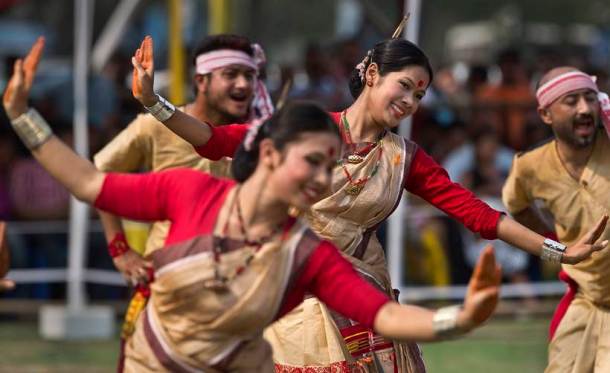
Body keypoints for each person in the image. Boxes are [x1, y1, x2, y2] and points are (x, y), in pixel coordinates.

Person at [3, 37, 503, 372]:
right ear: (266, 151)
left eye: (331, 164)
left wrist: (457, 319)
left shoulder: (303, 254)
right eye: (313, 162)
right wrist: (22, 117)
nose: (326, 178)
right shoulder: (189, 191)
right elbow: (91, 183)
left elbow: (384, 317)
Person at [133, 34, 609, 371]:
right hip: (294, 290)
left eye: (420, 95)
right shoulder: (307, 126)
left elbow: (479, 215)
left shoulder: (405, 159)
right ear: (374, 74)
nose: (411, 101)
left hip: (364, 296)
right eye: (405, 86)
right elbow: (218, 140)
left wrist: (558, 251)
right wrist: (154, 101)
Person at [92, 34, 272, 364]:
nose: (244, 84)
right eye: (231, 74)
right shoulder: (153, 128)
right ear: (201, 81)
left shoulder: (259, 137)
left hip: (236, 291)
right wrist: (119, 249)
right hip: (166, 286)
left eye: (249, 75)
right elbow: (99, 175)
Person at [502, 66, 610, 373]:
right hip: (587, 300)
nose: (585, 109)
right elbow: (516, 208)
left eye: (590, 98)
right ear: (546, 114)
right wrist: (558, 249)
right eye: (572, 101)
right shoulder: (529, 167)